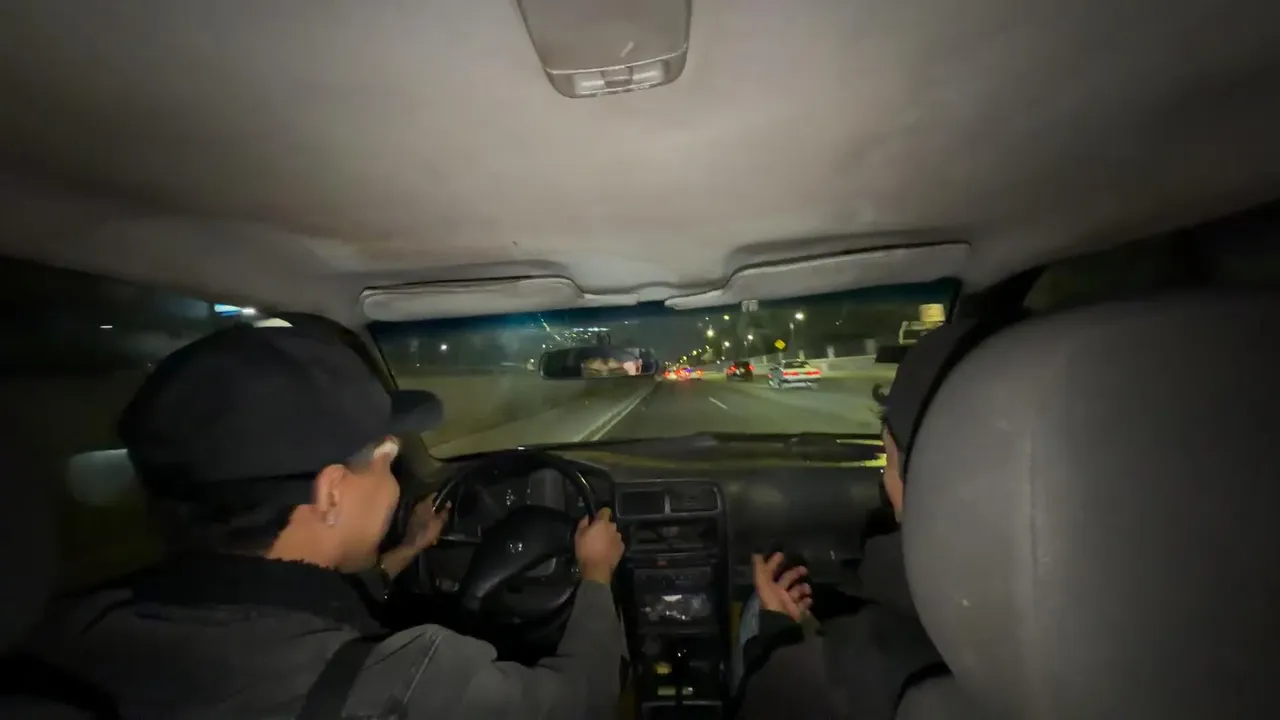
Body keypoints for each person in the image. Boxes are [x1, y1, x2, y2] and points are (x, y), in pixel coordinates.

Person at [28, 325, 626, 719]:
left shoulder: (60, 634)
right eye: (388, 459)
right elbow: (584, 701)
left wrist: (405, 552)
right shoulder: (407, 685)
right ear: (333, 491)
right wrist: (597, 575)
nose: (394, 483)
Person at [731, 321, 986, 720]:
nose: (884, 479)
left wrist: (776, 633)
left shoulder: (857, 666)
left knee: (754, 611)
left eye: (888, 457)